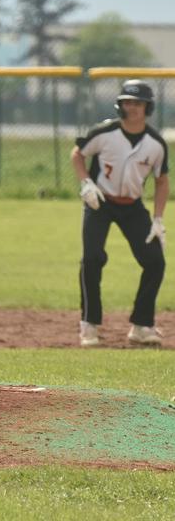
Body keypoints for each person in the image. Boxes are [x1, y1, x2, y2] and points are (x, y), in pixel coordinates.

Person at [72, 79, 168, 347]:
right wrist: (86, 183)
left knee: (154, 262)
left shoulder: (156, 143)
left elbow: (162, 181)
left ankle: (142, 325)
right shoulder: (105, 132)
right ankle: (89, 324)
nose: (132, 107)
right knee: (91, 258)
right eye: (127, 102)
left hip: (133, 206)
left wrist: (158, 219)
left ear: (148, 107)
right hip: (99, 202)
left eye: (138, 103)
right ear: (119, 105)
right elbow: (77, 154)